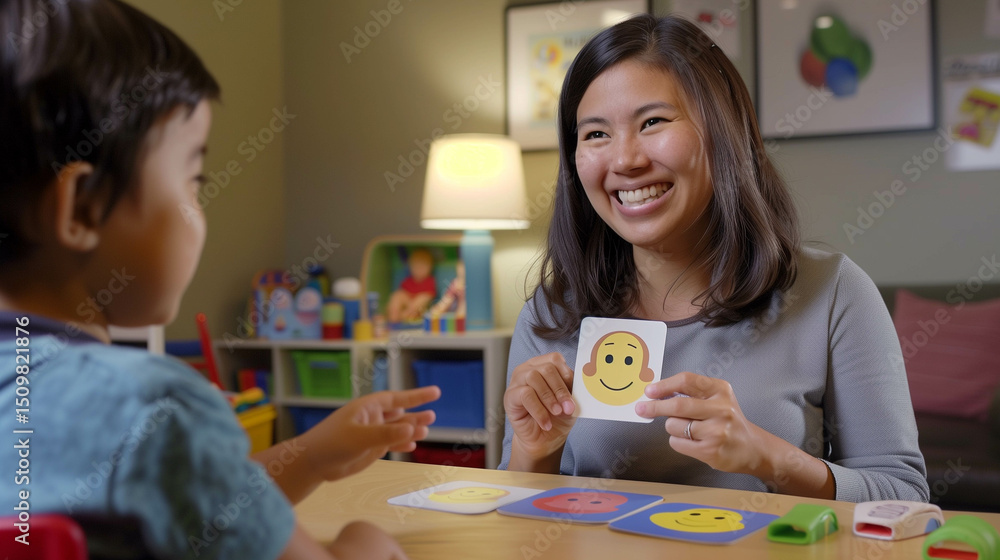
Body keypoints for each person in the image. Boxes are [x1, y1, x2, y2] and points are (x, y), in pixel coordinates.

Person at [0, 1, 438, 558]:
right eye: (194, 181)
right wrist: (366, 544)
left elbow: (186, 509)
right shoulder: (149, 406)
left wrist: (307, 456)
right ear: (82, 209)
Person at [498, 14, 929, 503]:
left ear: (724, 130)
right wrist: (536, 451)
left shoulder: (832, 291)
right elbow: (517, 518)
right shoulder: (552, 312)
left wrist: (768, 458)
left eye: (653, 122)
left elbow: (904, 497)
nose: (624, 160)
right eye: (596, 134)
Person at [387, 248, 437, 323]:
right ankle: (394, 315)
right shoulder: (408, 281)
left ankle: (403, 316)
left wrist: (415, 303)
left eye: (423, 267)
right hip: (408, 304)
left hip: (421, 310)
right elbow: (402, 294)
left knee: (422, 298)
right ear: (410, 267)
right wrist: (405, 300)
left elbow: (429, 296)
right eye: (416, 266)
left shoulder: (430, 281)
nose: (419, 270)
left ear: (430, 267)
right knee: (397, 295)